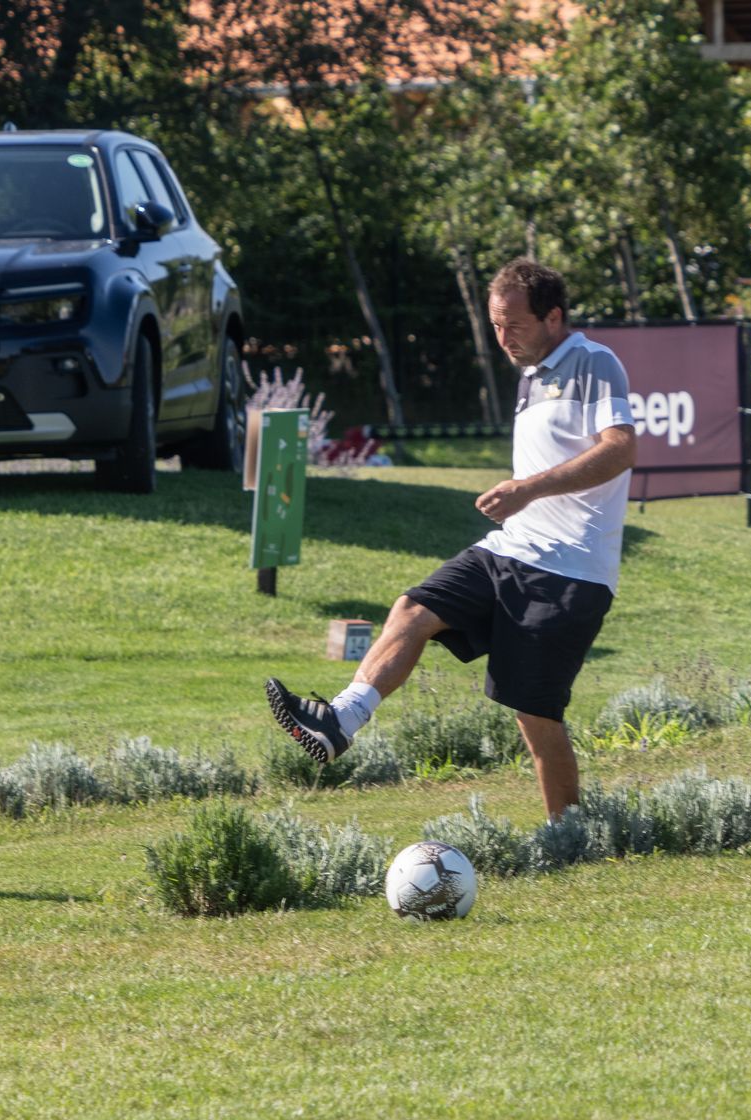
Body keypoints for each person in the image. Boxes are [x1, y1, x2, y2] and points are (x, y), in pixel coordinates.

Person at [265, 258, 637, 822]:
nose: (502, 337)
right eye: (494, 324)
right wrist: (521, 503)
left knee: (534, 713)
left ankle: (569, 834)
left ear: (554, 317)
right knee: (413, 608)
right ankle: (341, 721)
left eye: (514, 324)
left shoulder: (593, 362)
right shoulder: (531, 374)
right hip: (511, 547)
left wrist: (527, 489)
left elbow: (619, 450)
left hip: (574, 571)